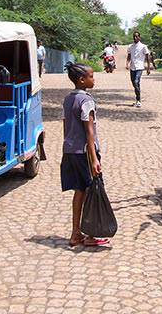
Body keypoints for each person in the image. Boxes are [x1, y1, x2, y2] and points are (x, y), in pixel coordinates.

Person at [60, 62, 109, 247]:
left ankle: (75, 233)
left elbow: (66, 124)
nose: (93, 79)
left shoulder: (68, 98)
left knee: (79, 191)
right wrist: (94, 158)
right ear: (82, 80)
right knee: (92, 191)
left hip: (70, 150)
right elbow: (89, 131)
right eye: (91, 76)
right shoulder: (86, 100)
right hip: (85, 153)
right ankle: (91, 234)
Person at [126, 31, 153, 107]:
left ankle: (138, 100)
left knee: (136, 81)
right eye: (134, 36)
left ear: (139, 37)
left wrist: (148, 68)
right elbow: (129, 56)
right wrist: (127, 64)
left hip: (140, 67)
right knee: (135, 84)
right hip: (132, 67)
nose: (135, 38)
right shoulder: (130, 46)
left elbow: (148, 57)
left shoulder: (143, 46)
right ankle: (138, 99)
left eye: (137, 36)